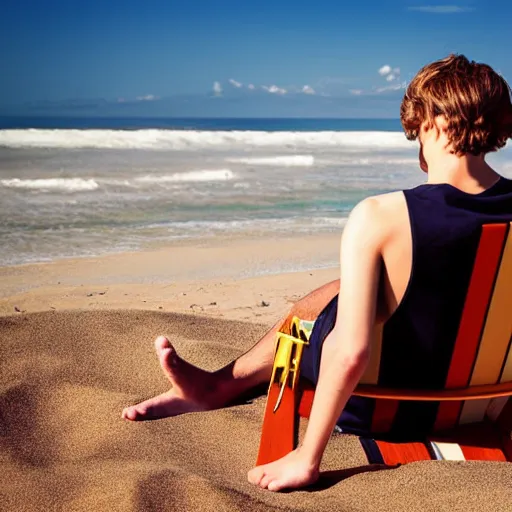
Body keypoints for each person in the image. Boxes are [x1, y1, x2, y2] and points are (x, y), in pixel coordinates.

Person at [122, 54, 512, 492]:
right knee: (345, 289)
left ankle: (217, 387)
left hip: (375, 406)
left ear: (431, 120)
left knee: (317, 316)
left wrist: (308, 457)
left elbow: (350, 351)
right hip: (479, 406)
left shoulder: (381, 216)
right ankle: (215, 386)